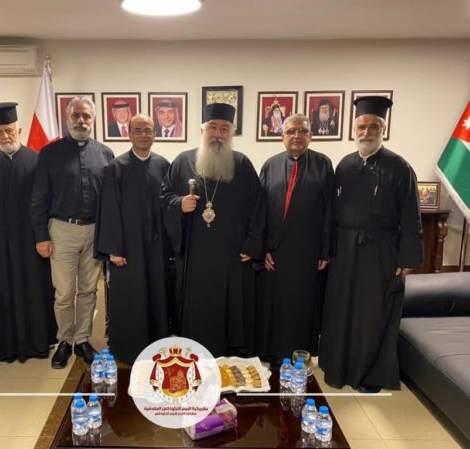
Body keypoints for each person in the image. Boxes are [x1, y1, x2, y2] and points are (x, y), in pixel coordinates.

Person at [319, 96, 423, 393]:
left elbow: (411, 215)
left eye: (373, 127)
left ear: (383, 129)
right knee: (341, 310)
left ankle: (369, 375)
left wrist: (408, 258)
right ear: (354, 129)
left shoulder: (399, 167)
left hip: (380, 251)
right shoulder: (345, 166)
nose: (366, 132)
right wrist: (327, 250)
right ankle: (337, 368)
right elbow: (331, 214)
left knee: (372, 313)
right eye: (361, 127)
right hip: (344, 251)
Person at [160, 103, 265, 356]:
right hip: (194, 254)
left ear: (231, 132)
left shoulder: (242, 164)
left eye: (224, 128)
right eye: (213, 127)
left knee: (231, 308)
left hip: (232, 255)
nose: (218, 134)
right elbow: (164, 198)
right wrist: (178, 204)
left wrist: (252, 243)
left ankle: (231, 356)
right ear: (202, 130)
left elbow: (258, 206)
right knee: (197, 309)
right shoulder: (183, 161)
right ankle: (195, 352)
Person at [31, 96, 114, 368]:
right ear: (67, 118)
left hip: (95, 230)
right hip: (62, 231)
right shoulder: (49, 153)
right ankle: (65, 340)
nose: (81, 120)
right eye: (76, 115)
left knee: (89, 291)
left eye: (86, 116)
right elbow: (39, 197)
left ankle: (82, 340)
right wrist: (41, 236)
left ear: (94, 120)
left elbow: (111, 199)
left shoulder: (105, 154)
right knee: (65, 293)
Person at [0, 102, 56, 363]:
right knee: (2, 291)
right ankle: (7, 346)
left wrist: (44, 236)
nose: (5, 136)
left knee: (35, 289)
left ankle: (39, 342)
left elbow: (47, 203)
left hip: (31, 240)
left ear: (19, 130)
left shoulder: (38, 160)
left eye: (9, 130)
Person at [256, 114, 334, 366]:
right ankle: (271, 354)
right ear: (282, 137)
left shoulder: (323, 164)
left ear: (311, 136)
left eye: (302, 131)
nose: (297, 136)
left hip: (307, 252)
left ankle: (299, 355)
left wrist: (325, 250)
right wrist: (262, 248)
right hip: (274, 252)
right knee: (273, 306)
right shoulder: (270, 165)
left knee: (301, 307)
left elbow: (329, 210)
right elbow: (259, 211)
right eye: (291, 131)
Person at [95, 114, 171, 364]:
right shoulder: (116, 167)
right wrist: (114, 249)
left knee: (156, 293)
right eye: (138, 130)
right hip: (127, 247)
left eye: (148, 130)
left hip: (156, 245)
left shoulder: (164, 165)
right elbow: (109, 209)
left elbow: (170, 205)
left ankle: (156, 345)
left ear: (155, 134)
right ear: (129, 134)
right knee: (130, 297)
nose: (143, 135)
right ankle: (128, 348)